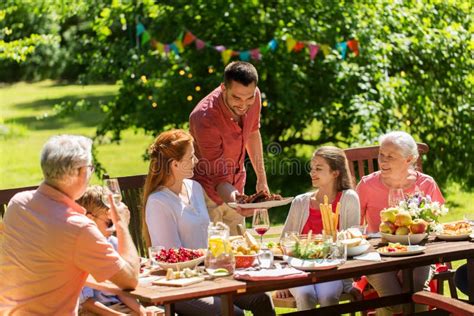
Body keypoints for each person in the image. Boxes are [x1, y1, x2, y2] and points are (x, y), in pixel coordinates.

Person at [0, 135, 140, 315]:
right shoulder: (78, 228)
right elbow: (130, 279)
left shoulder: (17, 204)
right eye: (90, 168)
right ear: (80, 172)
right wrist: (120, 224)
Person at [142, 129, 275, 316]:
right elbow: (171, 255)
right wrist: (208, 257)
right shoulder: (158, 202)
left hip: (211, 274)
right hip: (182, 285)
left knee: (262, 298)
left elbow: (207, 233)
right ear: (175, 164)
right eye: (191, 157)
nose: (196, 161)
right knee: (234, 314)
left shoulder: (194, 188)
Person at [356, 131, 445, 315]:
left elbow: (435, 227)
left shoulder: (426, 184)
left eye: (391, 156)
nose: (383, 160)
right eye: (381, 154)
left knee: (418, 292)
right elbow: (354, 228)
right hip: (378, 256)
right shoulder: (366, 185)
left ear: (409, 159)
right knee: (394, 298)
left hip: (418, 253)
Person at [276, 146, 363, 310]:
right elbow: (284, 243)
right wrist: (283, 281)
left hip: (332, 269)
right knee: (305, 295)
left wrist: (348, 283)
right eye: (312, 168)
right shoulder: (300, 202)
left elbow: (353, 242)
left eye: (318, 168)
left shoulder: (348, 199)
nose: (312, 173)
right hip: (298, 268)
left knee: (328, 296)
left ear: (335, 173)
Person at [189, 61, 269, 235]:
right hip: (206, 193)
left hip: (236, 187)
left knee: (241, 251)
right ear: (223, 88)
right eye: (237, 98)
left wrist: (261, 179)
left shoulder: (252, 96)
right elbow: (219, 178)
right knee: (215, 256)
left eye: (249, 98)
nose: (243, 104)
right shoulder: (205, 119)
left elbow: (253, 133)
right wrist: (238, 202)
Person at [77, 186, 148, 316]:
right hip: (93, 311)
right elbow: (85, 302)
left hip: (118, 306)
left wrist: (141, 311)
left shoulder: (113, 243)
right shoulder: (82, 251)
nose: (113, 229)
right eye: (109, 223)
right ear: (89, 218)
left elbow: (123, 291)